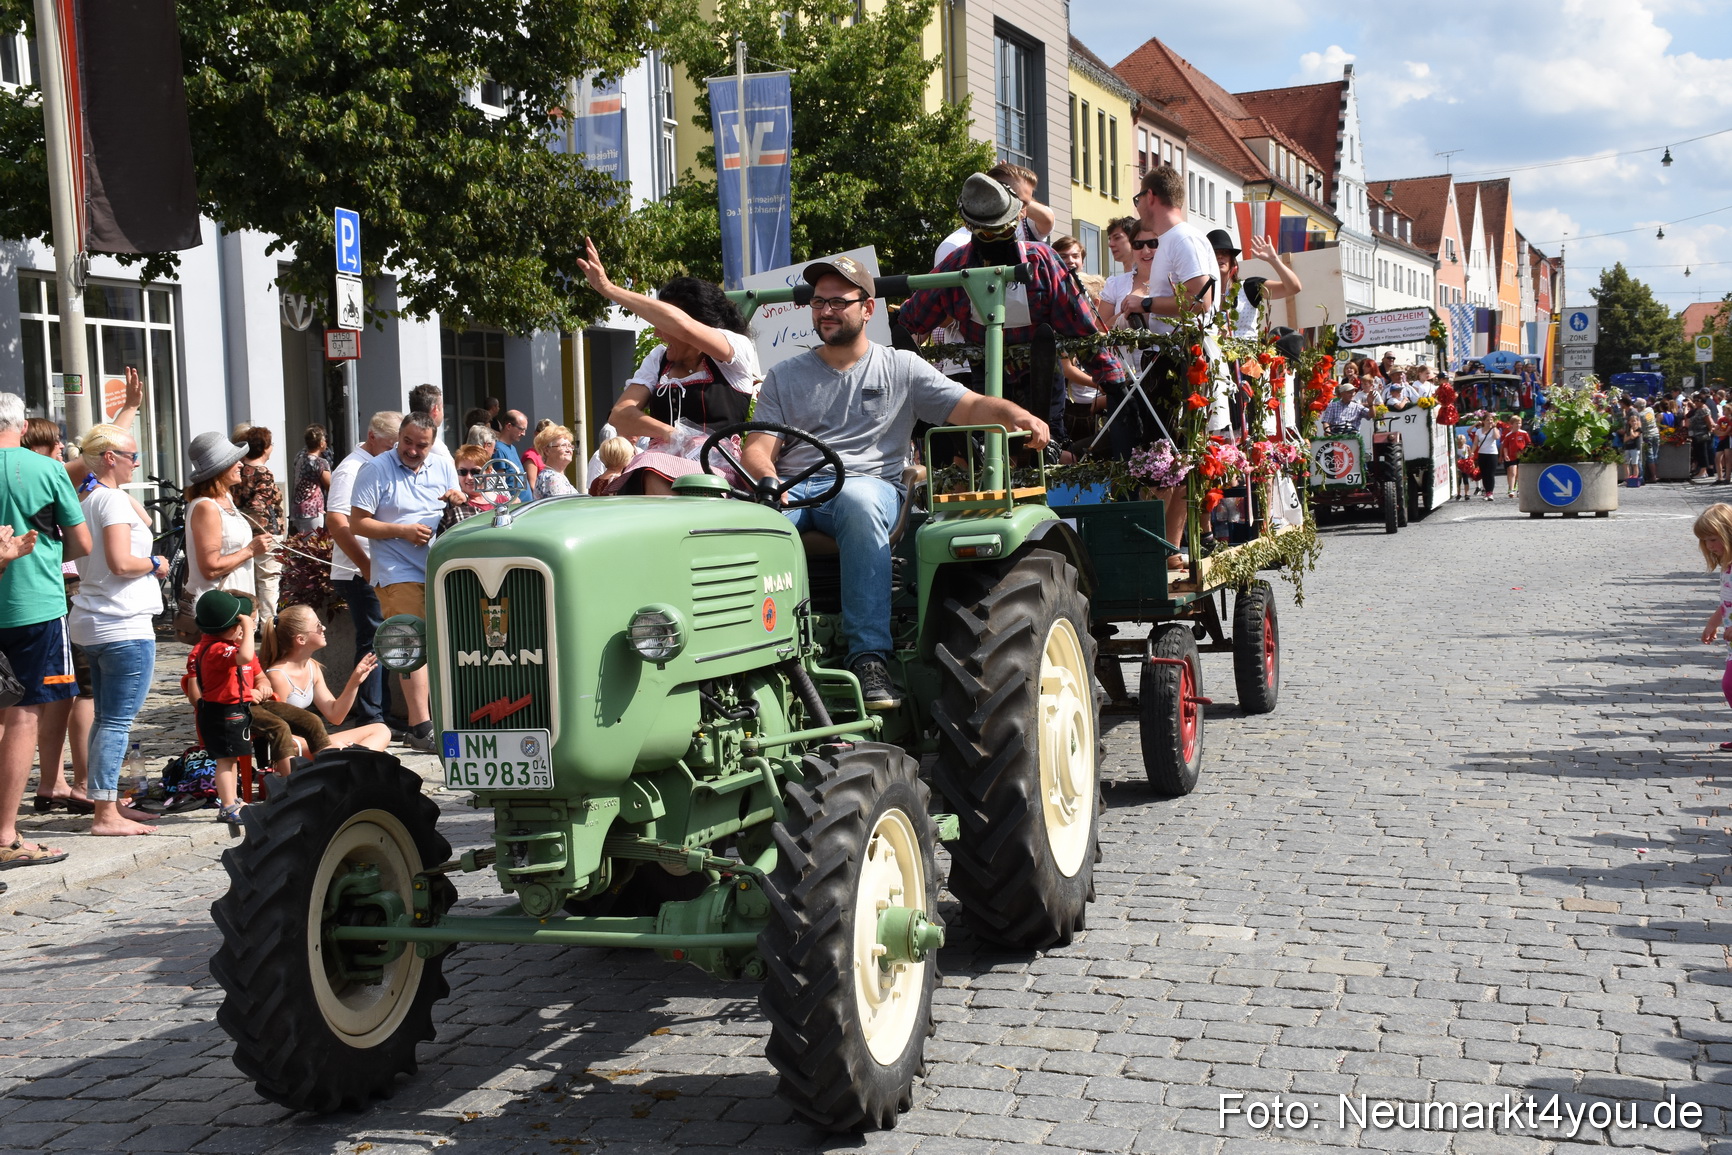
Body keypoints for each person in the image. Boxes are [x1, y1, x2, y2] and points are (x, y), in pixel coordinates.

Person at [741, 258, 1050, 709]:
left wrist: (1016, 415)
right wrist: (769, 480)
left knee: (859, 502)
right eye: (818, 302)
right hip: (797, 486)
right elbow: (757, 447)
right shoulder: (785, 374)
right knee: (745, 523)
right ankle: (749, 655)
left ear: (868, 309)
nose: (825, 311)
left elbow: (970, 406)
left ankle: (869, 657)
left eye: (838, 303)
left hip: (867, 485)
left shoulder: (900, 367)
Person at [901, 172, 1127, 446]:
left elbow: (1080, 327)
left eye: (1005, 230)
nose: (997, 239)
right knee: (992, 449)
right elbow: (909, 321)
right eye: (988, 232)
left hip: (1042, 379)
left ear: (1018, 219)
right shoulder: (954, 269)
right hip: (986, 387)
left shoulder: (1043, 262)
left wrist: (1113, 382)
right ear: (969, 227)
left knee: (1046, 450)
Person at [576, 238, 762, 495]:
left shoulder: (736, 348)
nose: (656, 332)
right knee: (633, 475)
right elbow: (619, 415)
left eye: (662, 323)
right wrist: (671, 433)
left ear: (698, 324)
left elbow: (683, 326)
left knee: (651, 469)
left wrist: (609, 289)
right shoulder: (658, 358)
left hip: (716, 470)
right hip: (657, 464)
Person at [0, 392, 90, 869]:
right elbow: (82, 543)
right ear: (21, 426)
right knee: (24, 713)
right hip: (34, 602)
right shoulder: (46, 469)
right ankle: (5, 833)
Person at [67, 424, 166, 836]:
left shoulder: (91, 498)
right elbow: (122, 563)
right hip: (122, 622)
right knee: (116, 722)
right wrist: (155, 564)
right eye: (132, 456)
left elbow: (145, 521)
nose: (137, 463)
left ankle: (104, 802)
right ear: (110, 458)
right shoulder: (109, 501)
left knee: (105, 718)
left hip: (95, 620)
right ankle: (105, 814)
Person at [349, 412, 464, 752]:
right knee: (411, 643)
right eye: (407, 442)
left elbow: (455, 502)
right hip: (396, 570)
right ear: (398, 436)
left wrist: (457, 498)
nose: (412, 450)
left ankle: (446, 717)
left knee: (442, 644)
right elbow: (357, 523)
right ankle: (420, 726)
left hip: (439, 567)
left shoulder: (442, 465)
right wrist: (402, 531)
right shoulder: (375, 469)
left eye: (421, 445)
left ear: (433, 443)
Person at [22, 420, 94, 818]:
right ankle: (71, 783)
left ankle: (55, 782)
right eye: (55, 442)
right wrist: (128, 409)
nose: (61, 447)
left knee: (50, 696)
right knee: (68, 691)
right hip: (54, 592)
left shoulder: (29, 476)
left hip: (39, 591)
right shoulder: (45, 473)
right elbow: (93, 457)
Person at [324, 411, 400, 728]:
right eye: (393, 445)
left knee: (382, 639)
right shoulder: (351, 469)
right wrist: (366, 566)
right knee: (374, 641)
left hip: (377, 567)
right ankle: (372, 716)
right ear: (372, 437)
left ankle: (379, 712)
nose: (398, 452)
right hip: (359, 571)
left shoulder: (376, 463)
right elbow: (337, 522)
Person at [263, 605, 391, 751]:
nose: (323, 628)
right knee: (341, 748)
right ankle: (356, 759)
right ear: (301, 639)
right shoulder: (278, 676)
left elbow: (335, 715)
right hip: (292, 748)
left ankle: (356, 759)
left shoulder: (312, 667)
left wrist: (355, 681)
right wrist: (324, 745)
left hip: (312, 742)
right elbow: (278, 733)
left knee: (381, 729)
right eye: (318, 625)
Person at [186, 590, 259, 823]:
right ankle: (227, 806)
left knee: (231, 759)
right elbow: (246, 656)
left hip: (228, 711)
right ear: (230, 629)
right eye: (238, 624)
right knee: (225, 762)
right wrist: (249, 627)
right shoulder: (218, 649)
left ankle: (233, 800)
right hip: (222, 713)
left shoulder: (215, 644)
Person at [185, 431, 270, 607]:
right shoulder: (206, 507)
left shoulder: (227, 498)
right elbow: (210, 568)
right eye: (233, 460)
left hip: (235, 604)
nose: (240, 464)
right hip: (220, 609)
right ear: (219, 469)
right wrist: (250, 550)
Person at [933, 161, 1056, 263]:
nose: (1024, 213)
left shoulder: (1040, 254)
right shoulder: (953, 246)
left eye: (1025, 205)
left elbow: (1048, 219)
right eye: (1019, 204)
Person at [1208, 230, 1301, 342]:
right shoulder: (1201, 292)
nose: (1219, 256)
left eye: (1224, 252)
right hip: (1212, 351)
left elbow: (1293, 288)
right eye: (1215, 253)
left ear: (1232, 260)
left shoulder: (1249, 287)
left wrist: (1273, 259)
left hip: (1245, 352)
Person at [230, 426, 284, 619]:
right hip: (265, 534)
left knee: (248, 580)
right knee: (268, 580)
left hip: (242, 533)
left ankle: (248, 622)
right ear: (265, 447)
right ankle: (268, 625)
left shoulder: (238, 470)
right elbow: (258, 505)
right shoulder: (263, 473)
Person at [1696, 503, 1732, 748]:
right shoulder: (1727, 567)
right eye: (1705, 541)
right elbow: (1727, 602)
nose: (1709, 546)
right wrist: (1713, 622)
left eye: (1712, 539)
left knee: (1730, 684)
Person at [439, 444, 501, 531]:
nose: (469, 477)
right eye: (462, 472)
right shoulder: (454, 503)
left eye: (476, 472)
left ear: (489, 472)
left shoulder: (503, 501)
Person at [289, 425, 333, 534]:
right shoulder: (320, 462)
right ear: (321, 443)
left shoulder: (299, 458)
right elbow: (330, 486)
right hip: (312, 510)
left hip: (297, 509)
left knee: (300, 542)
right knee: (314, 541)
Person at [493, 409, 533, 502]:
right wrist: (509, 500)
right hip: (515, 506)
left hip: (525, 504)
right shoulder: (498, 449)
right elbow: (500, 483)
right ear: (509, 426)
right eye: (521, 429)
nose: (523, 434)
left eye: (525, 430)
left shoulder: (512, 448)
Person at [532, 425, 580, 498]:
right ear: (547, 450)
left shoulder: (555, 475)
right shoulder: (552, 478)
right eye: (563, 445)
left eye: (570, 446)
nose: (568, 450)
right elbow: (562, 504)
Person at [409, 383, 454, 459]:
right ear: (435, 410)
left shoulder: (401, 443)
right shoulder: (438, 449)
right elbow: (450, 466)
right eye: (442, 407)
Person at [1469, 411, 1501, 500]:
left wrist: (1494, 427)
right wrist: (1472, 452)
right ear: (1483, 421)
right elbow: (1475, 443)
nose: (1490, 421)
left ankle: (1490, 492)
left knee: (1490, 474)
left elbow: (1496, 437)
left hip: (1492, 453)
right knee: (1484, 474)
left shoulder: (1494, 429)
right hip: (1482, 453)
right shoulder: (1479, 431)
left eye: (1491, 420)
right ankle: (1486, 492)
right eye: (1487, 420)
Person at [1502, 414, 1531, 499]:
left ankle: (1520, 490)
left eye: (1519, 423)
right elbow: (1505, 447)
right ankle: (1511, 489)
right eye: (1516, 423)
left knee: (1520, 473)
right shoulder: (1508, 435)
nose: (1518, 425)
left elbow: (1529, 444)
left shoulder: (1524, 433)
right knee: (1512, 472)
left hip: (1522, 456)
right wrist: (1506, 455)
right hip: (1512, 457)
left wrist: (1526, 452)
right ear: (1511, 424)